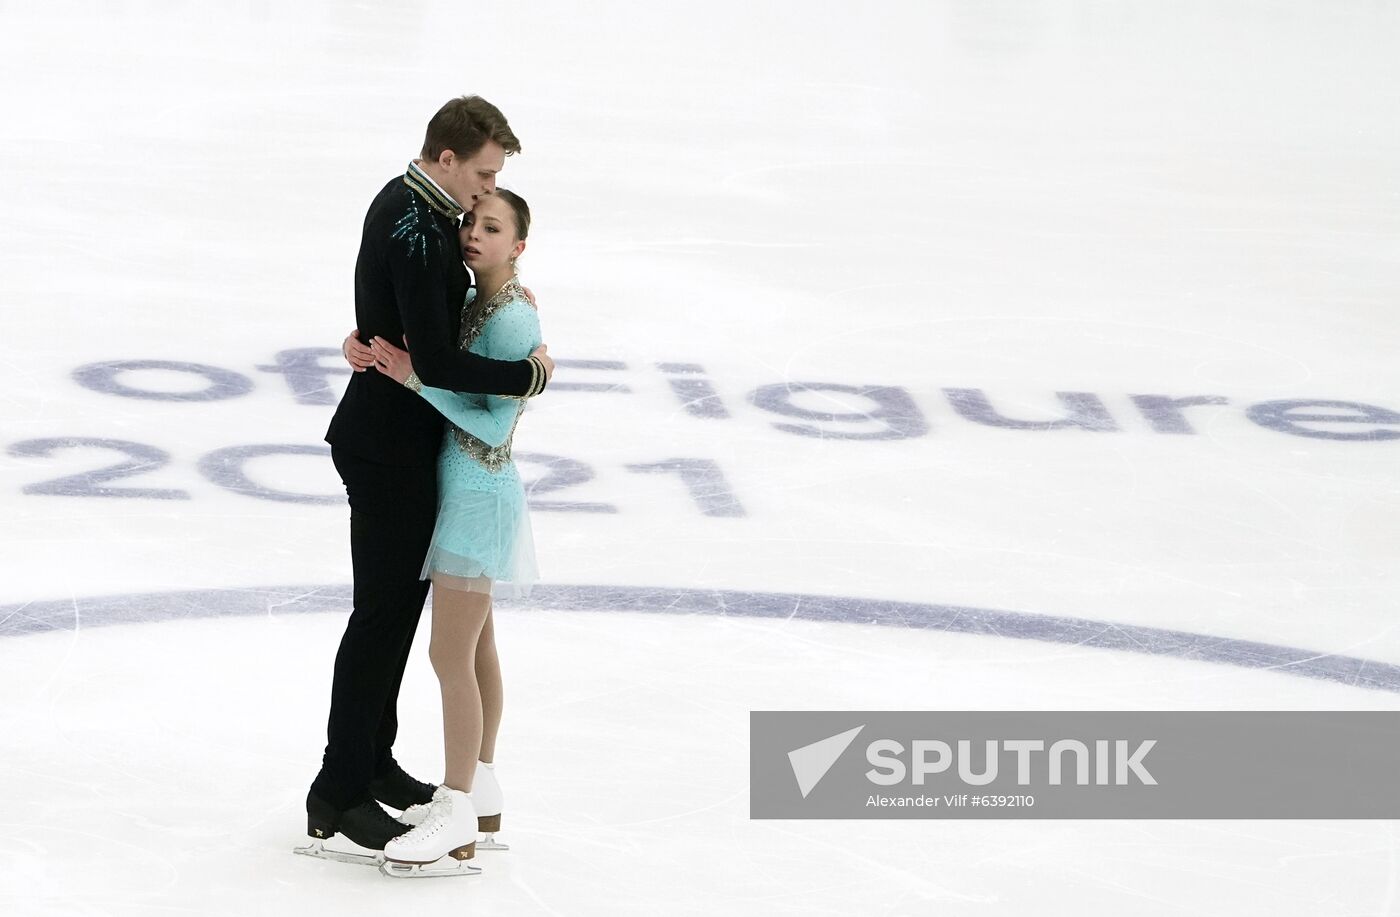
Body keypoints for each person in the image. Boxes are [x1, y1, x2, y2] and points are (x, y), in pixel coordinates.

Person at [303, 96, 553, 863]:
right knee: (381, 619)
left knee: (399, 619)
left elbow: (405, 315)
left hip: (408, 447)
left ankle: (373, 759)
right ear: (447, 158)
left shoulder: (422, 206)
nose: (486, 193)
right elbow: (437, 361)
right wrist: (528, 375)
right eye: (482, 175)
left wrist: (367, 333)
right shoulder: (415, 223)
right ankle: (339, 789)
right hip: (388, 450)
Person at [358, 189, 540, 871]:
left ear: (518, 246)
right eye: (470, 221)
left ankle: (457, 802)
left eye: (492, 228)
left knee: (447, 655)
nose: (473, 233)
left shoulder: (515, 319)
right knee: (477, 645)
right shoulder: (480, 302)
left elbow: (495, 422)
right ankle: (483, 780)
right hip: (464, 490)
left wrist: (413, 381)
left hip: (478, 493)